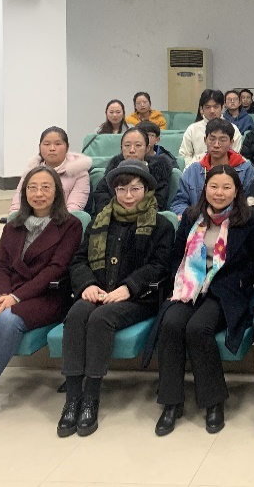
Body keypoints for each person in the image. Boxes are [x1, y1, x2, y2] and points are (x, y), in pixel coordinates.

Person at [0, 167, 82, 431]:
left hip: (46, 295)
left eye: (46, 187)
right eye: (32, 187)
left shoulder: (70, 225)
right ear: (24, 192)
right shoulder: (14, 224)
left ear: (57, 192)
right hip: (5, 291)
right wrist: (1, 293)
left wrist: (17, 297)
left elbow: (55, 269)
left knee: (8, 320)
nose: (38, 193)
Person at [57, 159, 177, 438]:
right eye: (122, 189)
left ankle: (91, 397)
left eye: (135, 189)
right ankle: (72, 398)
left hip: (138, 298)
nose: (128, 196)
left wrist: (129, 287)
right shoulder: (100, 221)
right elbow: (79, 260)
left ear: (146, 190)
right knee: (76, 314)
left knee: (100, 319)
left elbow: (159, 266)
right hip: (98, 291)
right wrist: (87, 284)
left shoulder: (160, 225)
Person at [150, 164, 254, 436]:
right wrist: (181, 282)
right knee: (170, 324)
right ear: (205, 189)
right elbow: (177, 255)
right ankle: (171, 402)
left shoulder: (247, 220)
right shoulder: (192, 216)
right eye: (214, 186)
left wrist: (233, 280)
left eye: (226, 187)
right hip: (189, 286)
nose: (219, 193)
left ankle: (213, 402)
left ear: (236, 191)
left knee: (198, 328)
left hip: (226, 290)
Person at [170, 119, 254, 215]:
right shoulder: (193, 171)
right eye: (212, 139)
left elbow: (251, 203)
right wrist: (193, 217)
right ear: (205, 140)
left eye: (222, 140)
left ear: (231, 142)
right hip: (198, 220)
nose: (216, 145)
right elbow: (179, 203)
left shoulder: (246, 170)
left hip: (235, 221)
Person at [10, 127, 92, 213]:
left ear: (67, 147)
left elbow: (74, 207)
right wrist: (15, 217)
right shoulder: (32, 170)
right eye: (46, 144)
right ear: (40, 147)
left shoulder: (79, 172)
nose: (52, 148)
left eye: (58, 144)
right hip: (30, 218)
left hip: (64, 219)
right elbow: (17, 203)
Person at [92, 127, 172, 213]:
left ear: (147, 148)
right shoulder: (112, 171)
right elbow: (101, 198)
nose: (132, 150)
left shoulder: (158, 172)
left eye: (138, 145)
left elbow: (159, 202)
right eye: (127, 145)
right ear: (121, 148)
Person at [181, 89, 243, 167]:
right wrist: (194, 169)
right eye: (208, 107)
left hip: (226, 170)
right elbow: (185, 155)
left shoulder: (233, 129)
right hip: (197, 170)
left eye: (216, 107)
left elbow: (234, 155)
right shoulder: (192, 129)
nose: (212, 111)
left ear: (222, 108)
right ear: (202, 109)